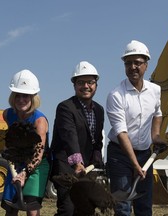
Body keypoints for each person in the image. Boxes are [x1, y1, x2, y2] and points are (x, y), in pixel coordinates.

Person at [106, 40, 167, 216]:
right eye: (128, 63)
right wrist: (134, 164)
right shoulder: (116, 95)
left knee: (144, 205)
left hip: (145, 155)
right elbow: (121, 133)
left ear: (146, 65)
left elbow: (157, 113)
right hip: (120, 155)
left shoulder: (155, 90)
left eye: (137, 63)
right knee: (122, 206)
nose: (133, 67)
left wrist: (155, 136)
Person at [50, 61, 104, 216]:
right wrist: (77, 162)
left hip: (86, 167)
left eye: (90, 82)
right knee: (68, 208)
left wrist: (97, 154)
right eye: (81, 82)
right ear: (74, 85)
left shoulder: (99, 110)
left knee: (85, 209)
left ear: (96, 85)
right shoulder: (65, 107)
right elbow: (69, 135)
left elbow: (97, 137)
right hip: (66, 166)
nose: (86, 86)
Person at [1, 69, 50, 216]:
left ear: (33, 97)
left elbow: (38, 154)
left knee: (31, 209)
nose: (21, 99)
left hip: (37, 164)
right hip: (17, 160)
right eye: (18, 95)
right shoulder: (7, 114)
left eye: (26, 96)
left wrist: (24, 174)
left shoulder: (39, 121)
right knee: (10, 208)